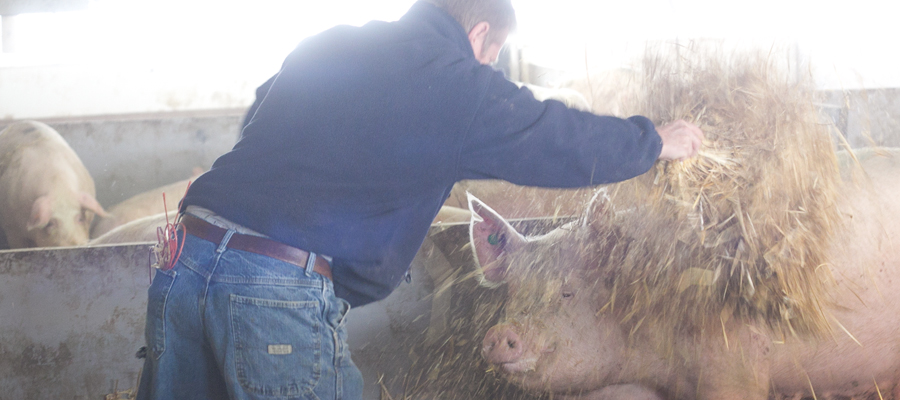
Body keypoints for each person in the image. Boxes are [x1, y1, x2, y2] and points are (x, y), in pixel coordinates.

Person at [136, 0, 704, 398]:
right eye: (493, 56)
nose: (489, 70)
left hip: (184, 259)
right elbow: (550, 136)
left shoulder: (331, 42)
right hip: (274, 286)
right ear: (481, 36)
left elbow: (258, 123)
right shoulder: (454, 79)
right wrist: (653, 142)